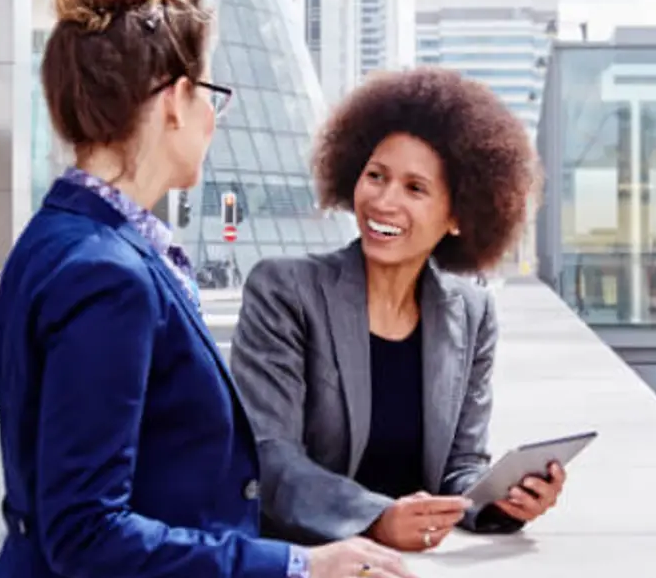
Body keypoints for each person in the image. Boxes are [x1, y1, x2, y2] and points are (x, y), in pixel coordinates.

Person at [0, 0, 425, 578]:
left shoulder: (61, 240)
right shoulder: (107, 275)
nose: (213, 121)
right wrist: (296, 570)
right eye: (208, 97)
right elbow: (86, 529)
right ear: (171, 102)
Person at [230, 68, 567, 553]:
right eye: (376, 176)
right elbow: (269, 456)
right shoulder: (285, 290)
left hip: (409, 574)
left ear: (457, 216)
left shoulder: (472, 312)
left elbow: (460, 466)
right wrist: (375, 517)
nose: (384, 202)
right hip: (305, 575)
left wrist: (499, 500)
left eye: (415, 188)